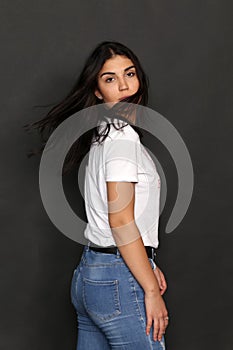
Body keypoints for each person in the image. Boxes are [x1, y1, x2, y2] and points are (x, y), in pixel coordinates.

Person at [25, 41, 169, 349]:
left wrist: (147, 262)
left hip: (91, 276)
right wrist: (151, 290)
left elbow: (113, 220)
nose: (125, 86)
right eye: (110, 79)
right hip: (118, 278)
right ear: (97, 91)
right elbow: (119, 219)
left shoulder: (103, 136)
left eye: (130, 74)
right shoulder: (122, 138)